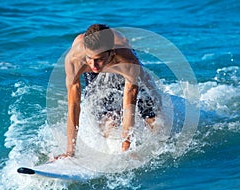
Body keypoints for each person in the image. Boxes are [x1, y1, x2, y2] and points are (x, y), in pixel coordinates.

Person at [56, 24, 161, 159]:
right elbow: (74, 105)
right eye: (90, 58)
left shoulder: (127, 60)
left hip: (121, 67)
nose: (93, 64)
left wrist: (126, 146)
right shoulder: (75, 60)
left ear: (111, 52)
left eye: (98, 59)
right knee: (107, 120)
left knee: (152, 114)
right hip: (99, 66)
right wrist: (70, 151)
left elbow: (129, 103)